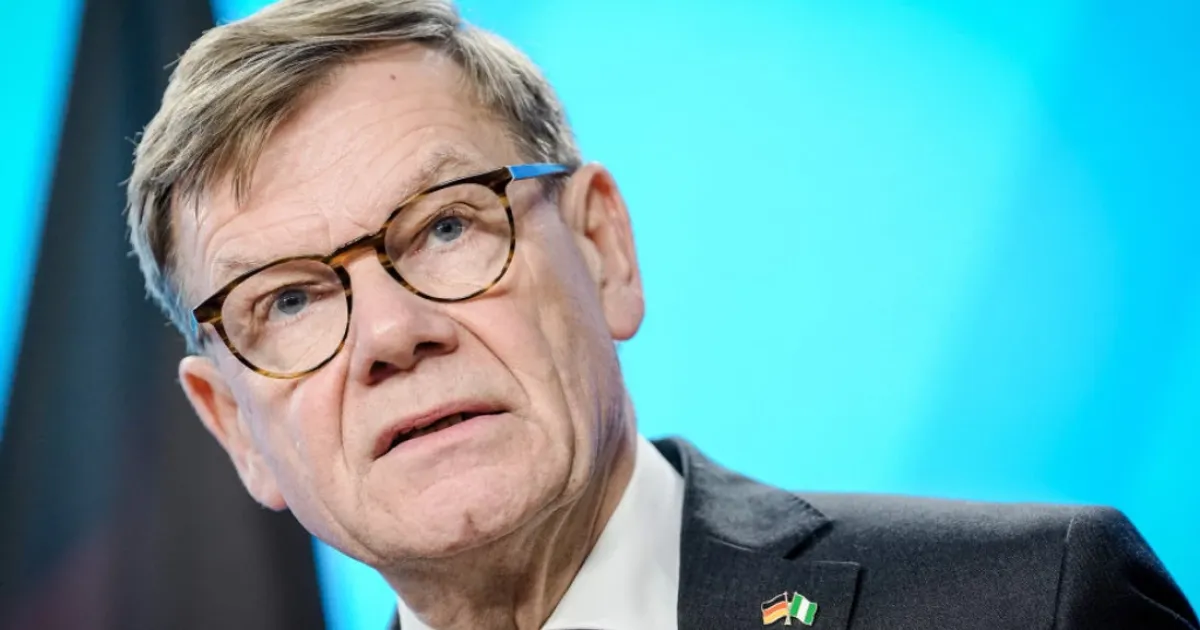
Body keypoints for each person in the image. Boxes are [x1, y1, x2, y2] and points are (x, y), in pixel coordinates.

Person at [123, 1, 1198, 628]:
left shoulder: (1035, 605)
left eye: (447, 226)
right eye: (290, 299)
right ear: (233, 427)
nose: (395, 336)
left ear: (603, 248)